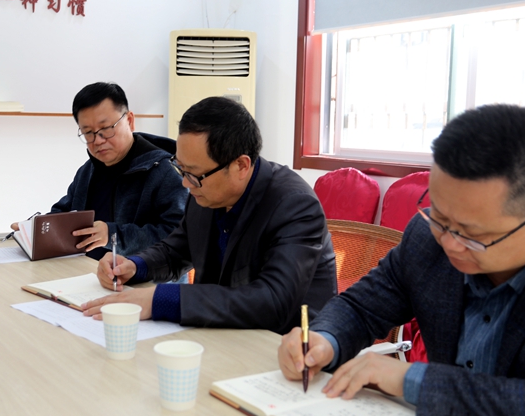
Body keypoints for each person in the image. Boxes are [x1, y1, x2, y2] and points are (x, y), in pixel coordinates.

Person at [278, 104, 525, 416]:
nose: (449, 243)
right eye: (439, 217)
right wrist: (323, 340)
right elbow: (362, 307)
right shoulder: (427, 238)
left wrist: (412, 380)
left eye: (473, 234)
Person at [82, 96, 337, 334]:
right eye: (181, 169)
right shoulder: (206, 190)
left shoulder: (294, 205)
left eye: (193, 174)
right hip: (220, 333)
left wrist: (159, 299)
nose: (185, 183)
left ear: (241, 165)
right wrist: (135, 266)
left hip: (286, 345)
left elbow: (273, 301)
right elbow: (176, 250)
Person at [14, 82, 188, 257]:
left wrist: (114, 235)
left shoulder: (166, 171)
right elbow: (65, 213)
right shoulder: (88, 170)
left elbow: (179, 237)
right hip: (84, 269)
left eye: (105, 128)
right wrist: (34, 230)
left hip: (137, 273)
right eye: (88, 132)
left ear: (129, 121)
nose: (97, 140)